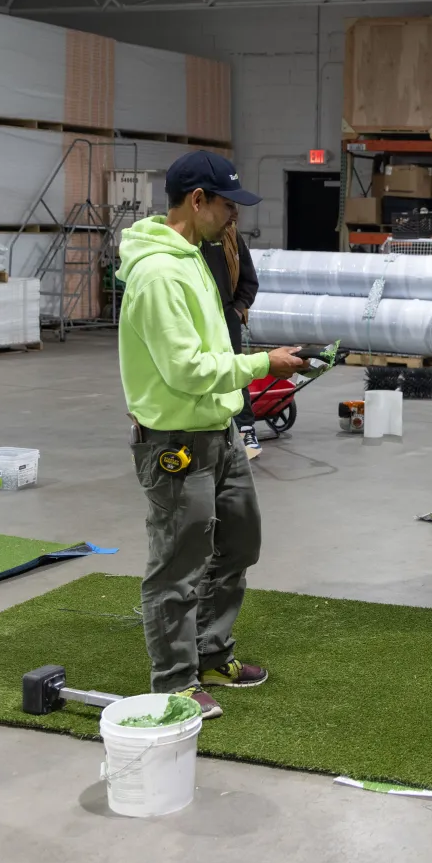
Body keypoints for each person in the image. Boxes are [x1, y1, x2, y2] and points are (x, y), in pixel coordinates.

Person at [115, 150, 307, 720]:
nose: (234, 218)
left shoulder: (196, 256)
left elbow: (211, 346)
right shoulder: (157, 273)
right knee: (178, 562)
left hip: (217, 431)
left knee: (239, 543)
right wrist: (261, 365)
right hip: (176, 441)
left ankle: (211, 652)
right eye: (227, 205)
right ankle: (173, 680)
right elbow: (186, 369)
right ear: (196, 200)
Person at [200, 215, 261, 457]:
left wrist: (236, 310)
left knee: (236, 372)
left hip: (226, 316)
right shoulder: (187, 241)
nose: (233, 215)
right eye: (227, 205)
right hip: (197, 314)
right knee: (201, 373)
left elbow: (249, 280)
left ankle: (244, 429)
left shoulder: (230, 236)